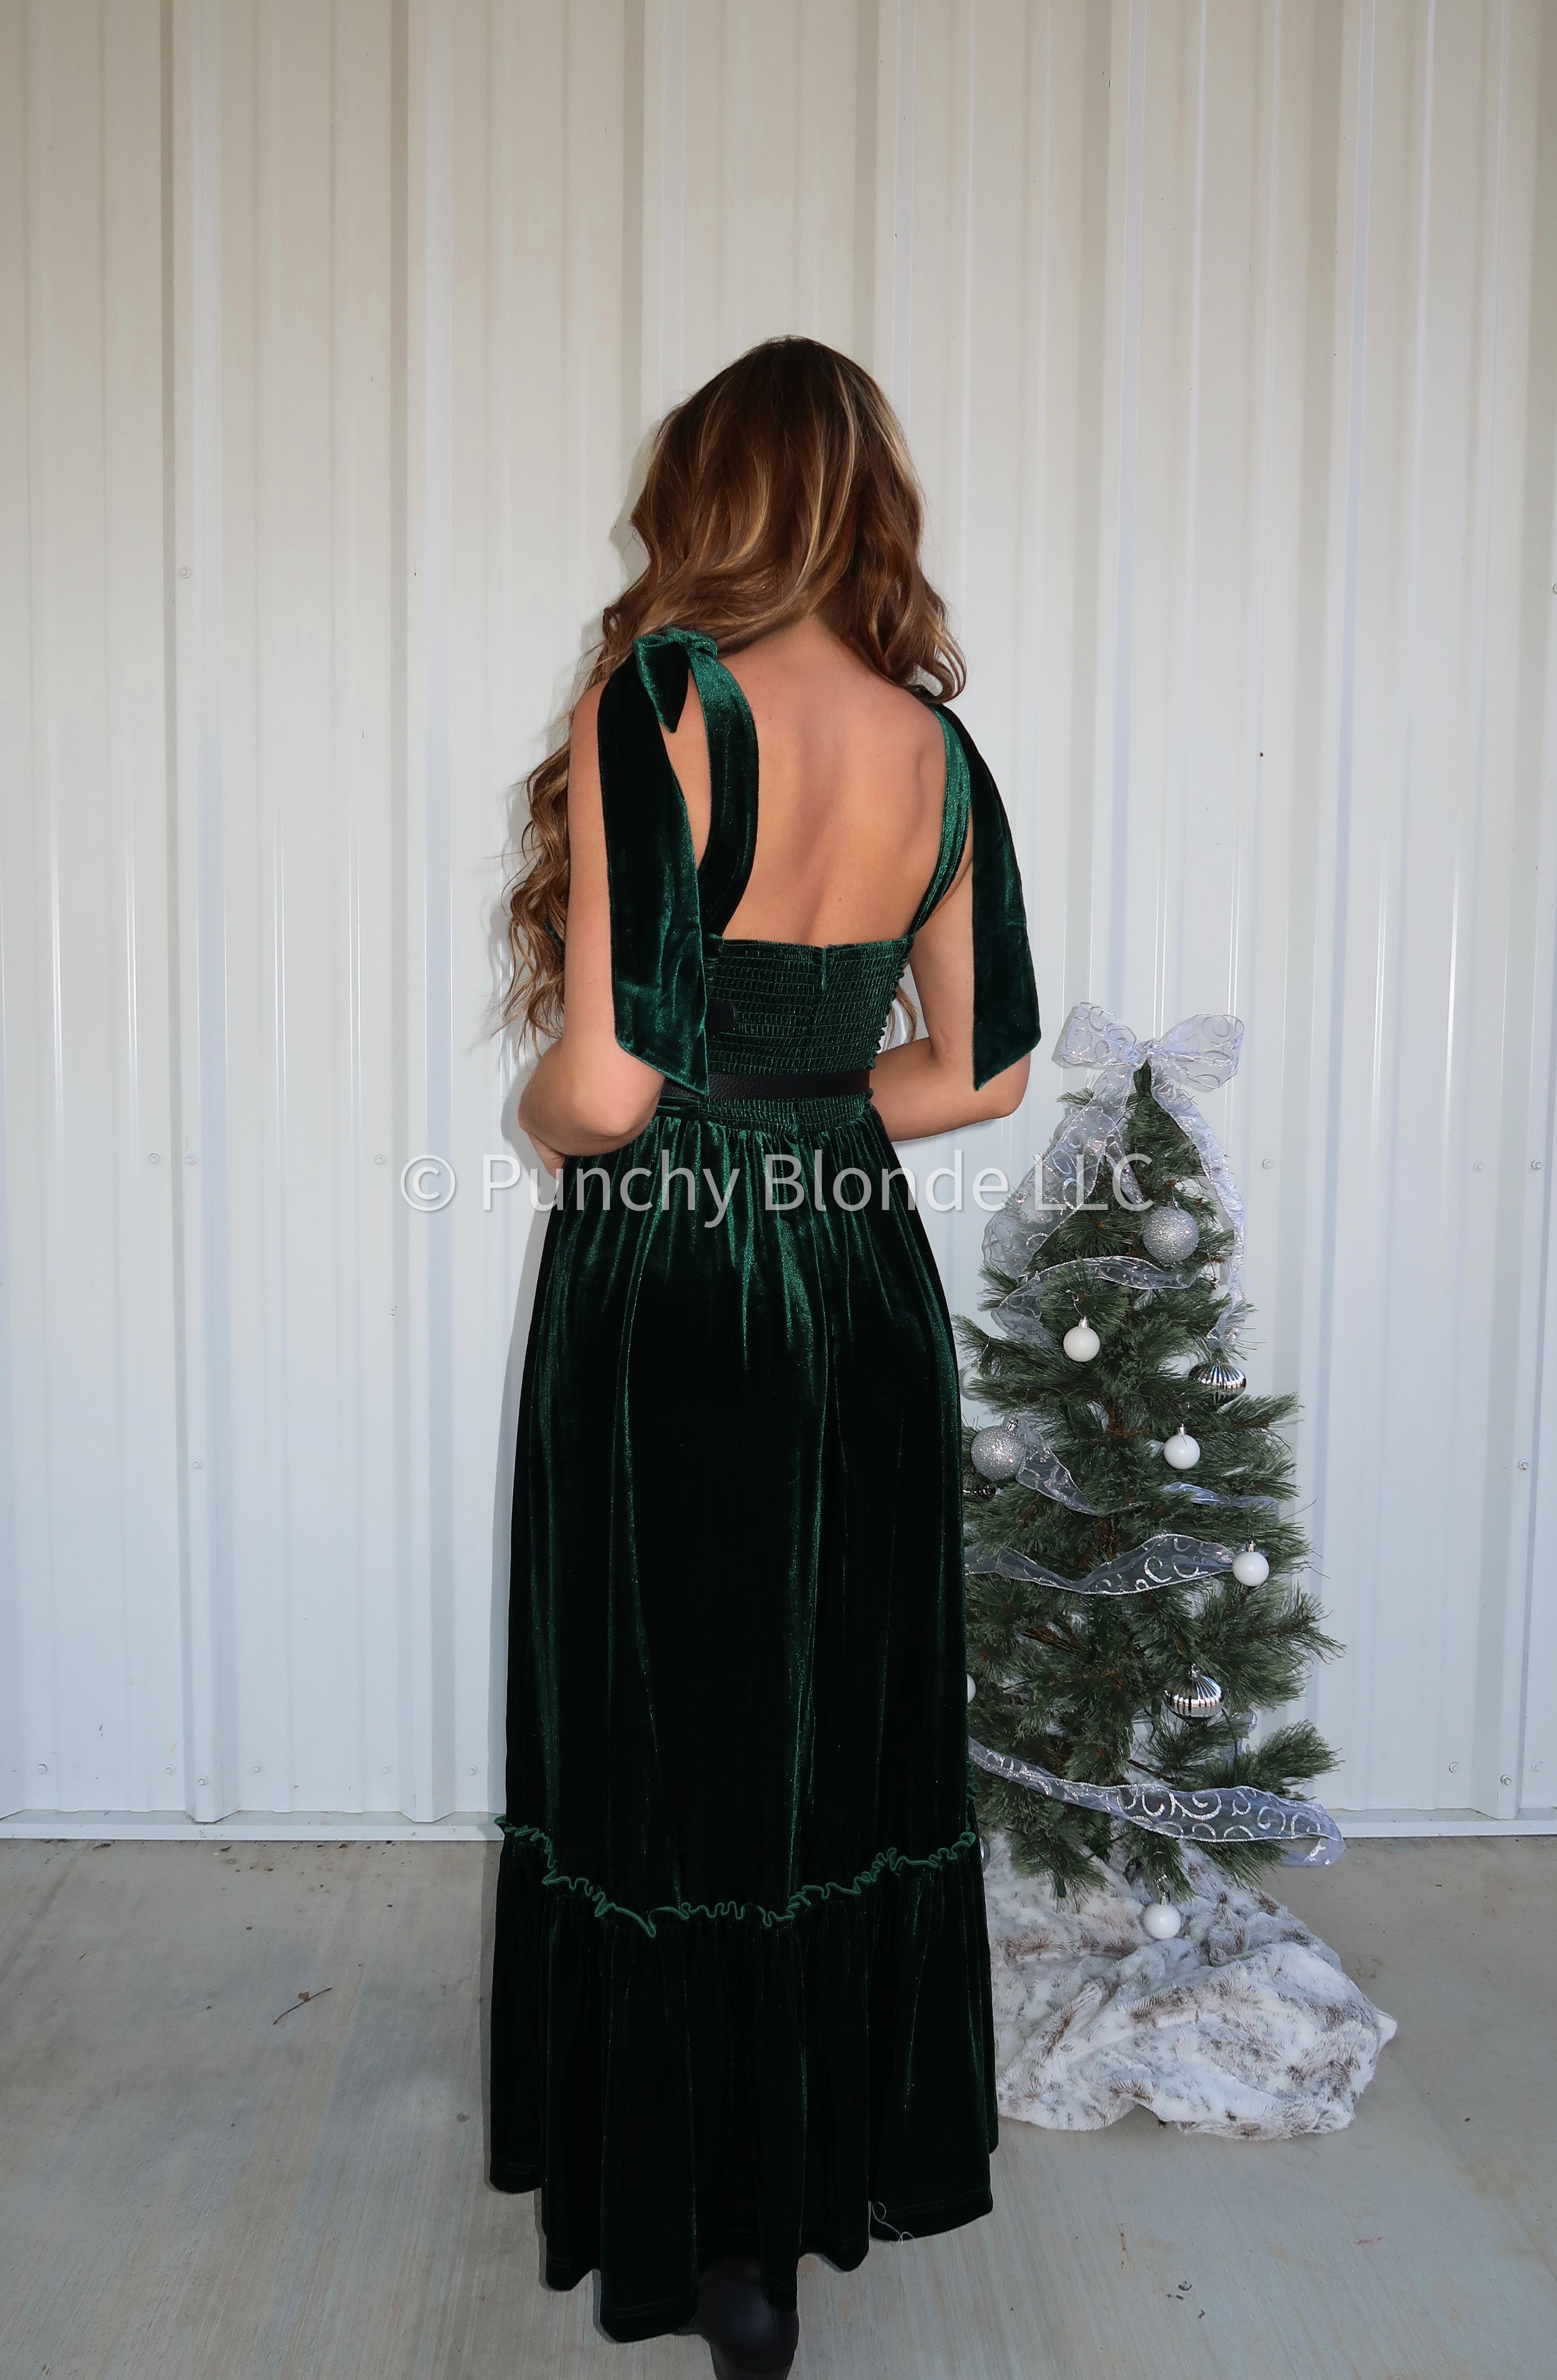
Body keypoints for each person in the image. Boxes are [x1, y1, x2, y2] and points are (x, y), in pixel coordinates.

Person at [491, 336, 1040, 2378]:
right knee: (824, 1715)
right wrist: (804, 1116)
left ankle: (700, 2225)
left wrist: (542, 1117)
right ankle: (798, 2198)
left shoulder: (660, 701)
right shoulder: (934, 751)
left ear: (709, 499)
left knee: (666, 1714)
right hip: (858, 1281)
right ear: (865, 505)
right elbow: (984, 1067)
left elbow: (610, 1089)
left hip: (674, 1279)